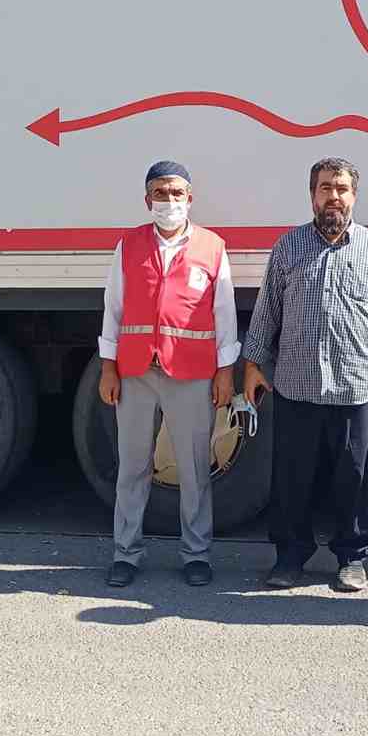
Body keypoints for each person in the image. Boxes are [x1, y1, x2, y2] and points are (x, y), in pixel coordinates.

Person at [242, 158, 368, 592]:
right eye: (324, 188)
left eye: (341, 188)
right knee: (291, 479)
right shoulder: (288, 247)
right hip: (295, 387)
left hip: (354, 388)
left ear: (353, 195)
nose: (333, 196)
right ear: (312, 196)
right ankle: (289, 557)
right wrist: (253, 366)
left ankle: (352, 558)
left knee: (355, 477)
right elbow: (267, 312)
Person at [98, 161, 239, 588]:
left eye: (177, 193)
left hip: (191, 373)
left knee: (194, 470)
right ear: (147, 200)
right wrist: (108, 367)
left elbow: (224, 314)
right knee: (132, 468)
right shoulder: (129, 245)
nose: (169, 200)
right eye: (161, 193)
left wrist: (225, 372)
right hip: (136, 372)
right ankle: (126, 553)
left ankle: (196, 554)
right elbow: (113, 309)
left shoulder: (212, 247)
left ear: (190, 198)